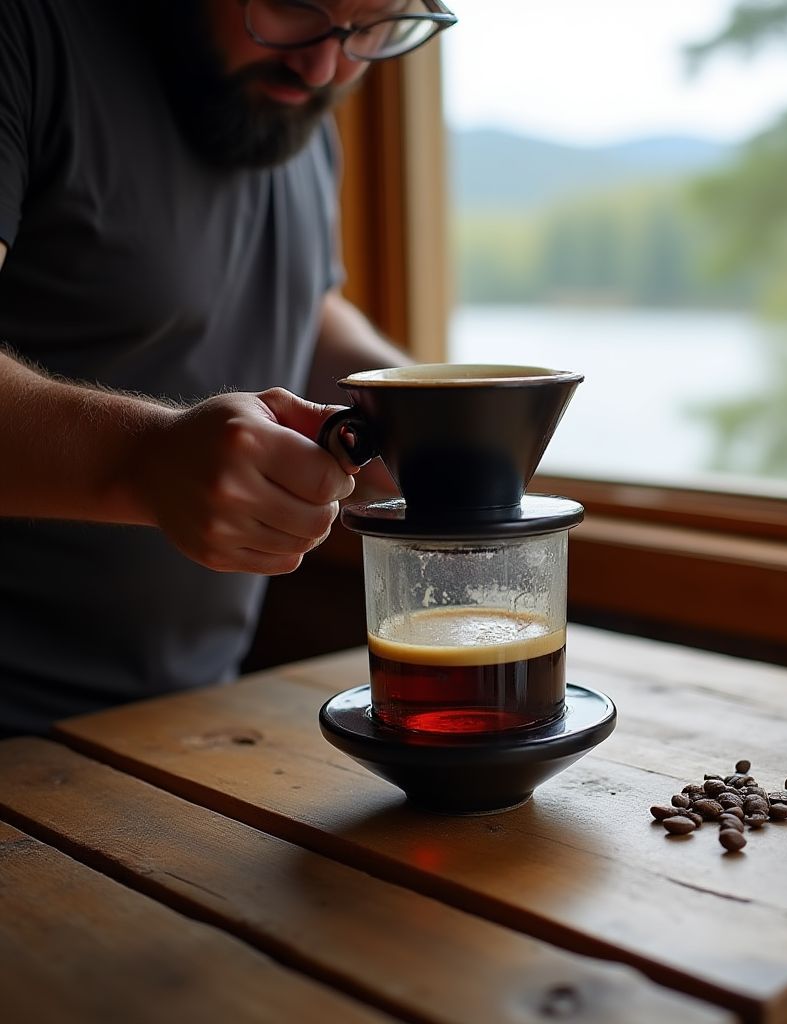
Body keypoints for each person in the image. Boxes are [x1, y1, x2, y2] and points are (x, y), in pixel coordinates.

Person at [0, 0, 458, 737]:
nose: (324, 66)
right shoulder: (27, 37)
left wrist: (409, 399)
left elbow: (297, 304)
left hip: (193, 717)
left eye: (374, 27)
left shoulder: (297, 103)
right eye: (289, 4)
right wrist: (143, 458)